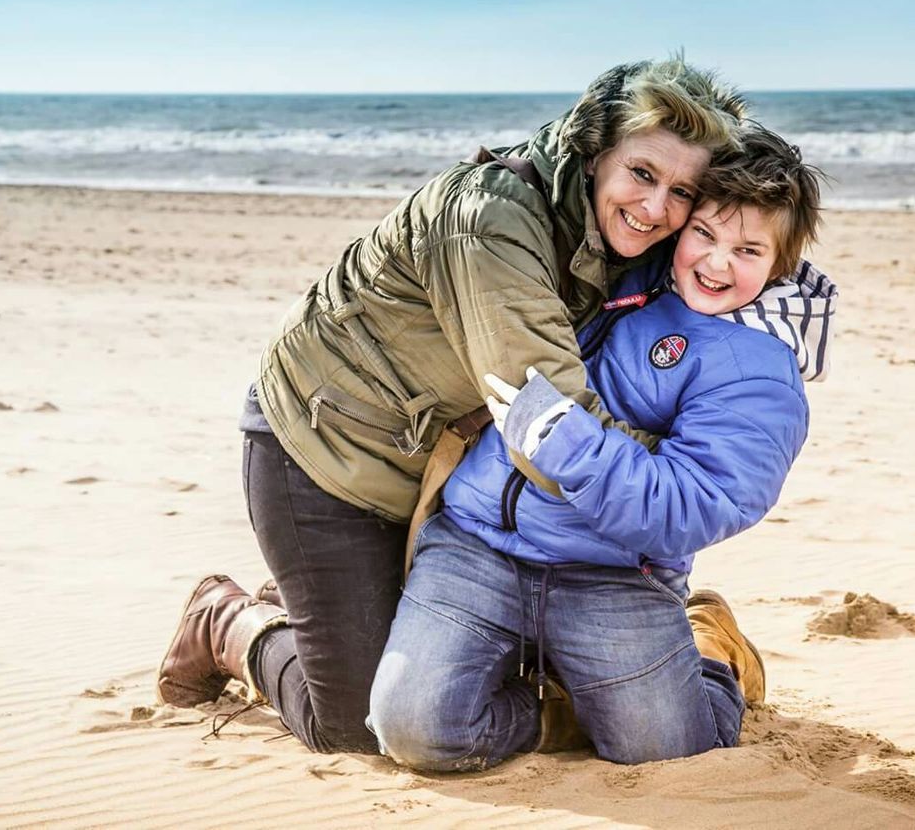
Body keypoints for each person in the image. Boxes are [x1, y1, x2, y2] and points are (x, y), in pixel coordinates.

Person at [155, 59, 748, 754]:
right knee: (357, 724)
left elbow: (747, 256)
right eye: (642, 174)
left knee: (469, 672)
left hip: (439, 473)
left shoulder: (628, 232)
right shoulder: (491, 222)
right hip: (322, 456)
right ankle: (228, 622)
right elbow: (548, 422)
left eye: (683, 191)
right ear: (594, 153)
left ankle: (323, 601)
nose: (655, 208)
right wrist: (686, 485)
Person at [366, 125, 839, 768]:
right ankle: (561, 711)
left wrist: (568, 443)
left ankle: (711, 648)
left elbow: (700, 501)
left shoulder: (759, 371)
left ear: (781, 265)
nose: (717, 262)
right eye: (704, 233)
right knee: (415, 731)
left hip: (613, 576)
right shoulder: (617, 272)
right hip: (477, 542)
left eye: (749, 250)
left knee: (666, 752)